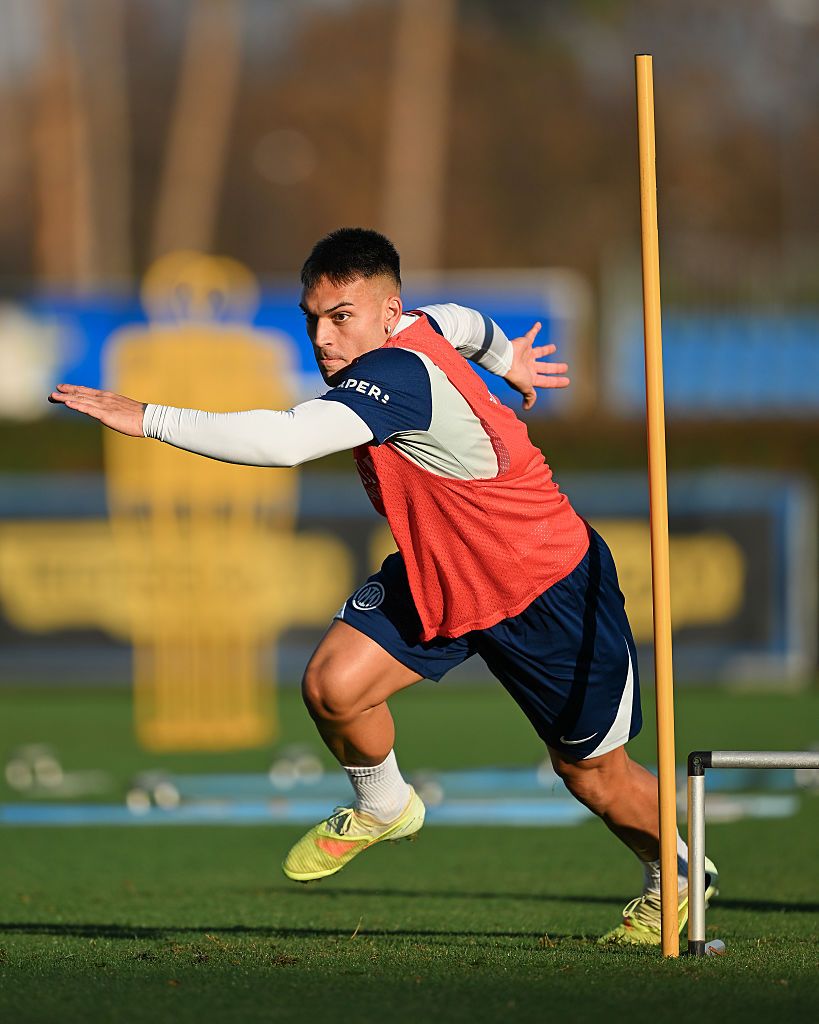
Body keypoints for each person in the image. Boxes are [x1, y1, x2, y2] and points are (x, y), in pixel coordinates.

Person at [50, 227, 717, 946]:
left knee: (593, 778)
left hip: (542, 585)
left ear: (388, 311)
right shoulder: (424, 324)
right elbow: (464, 322)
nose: (323, 336)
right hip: (439, 571)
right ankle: (383, 804)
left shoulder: (397, 375)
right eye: (312, 317)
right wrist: (509, 359)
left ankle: (679, 872)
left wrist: (146, 417)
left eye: (341, 316)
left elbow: (285, 442)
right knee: (333, 687)